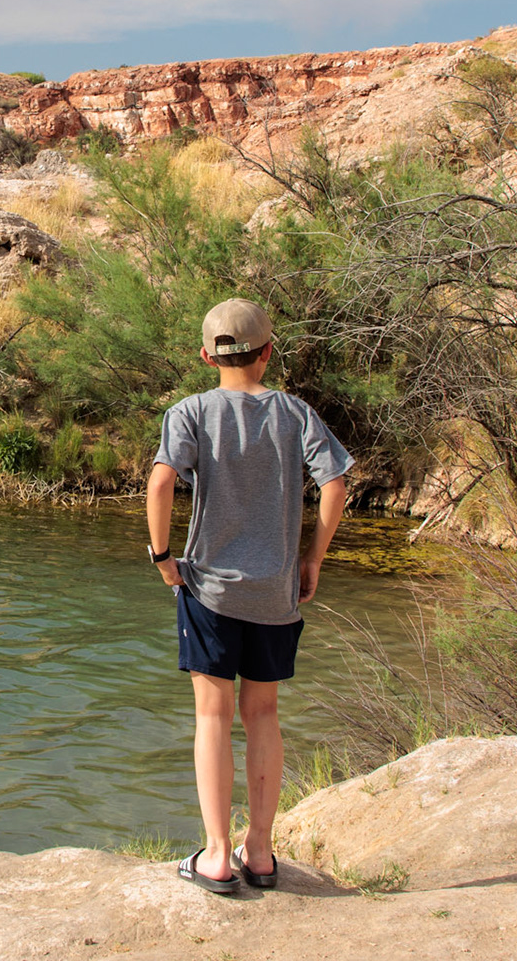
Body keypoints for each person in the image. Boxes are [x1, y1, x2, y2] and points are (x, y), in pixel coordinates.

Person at [146, 297, 350, 895]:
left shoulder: (190, 413)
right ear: (268, 352)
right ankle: (259, 854)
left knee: (211, 716)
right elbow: (335, 482)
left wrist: (163, 557)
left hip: (207, 589)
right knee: (263, 715)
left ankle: (214, 856)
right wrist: (313, 557)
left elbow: (161, 482)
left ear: (206, 355)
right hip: (276, 593)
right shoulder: (294, 413)